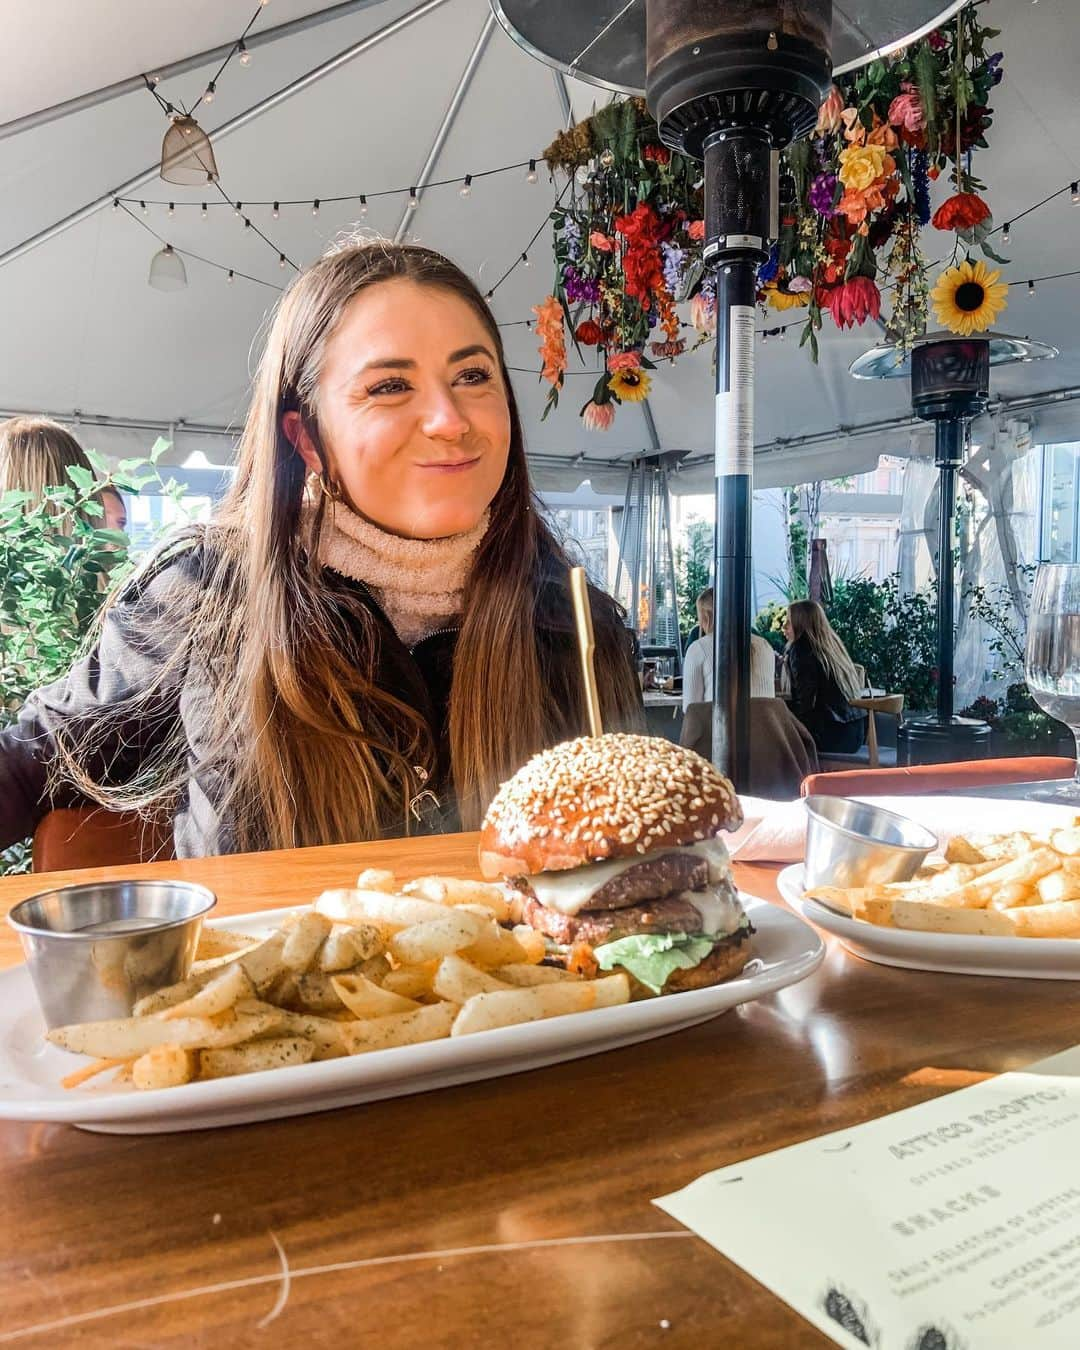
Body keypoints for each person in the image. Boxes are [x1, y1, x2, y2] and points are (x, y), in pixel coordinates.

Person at [0, 240, 643, 859]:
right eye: (390, 386)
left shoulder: (577, 624)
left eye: (473, 375)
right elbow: (33, 762)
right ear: (305, 437)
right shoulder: (214, 592)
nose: (450, 419)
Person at [782, 599, 867, 754]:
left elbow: (805, 702)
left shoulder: (800, 649)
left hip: (831, 735)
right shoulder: (831, 647)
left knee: (770, 731)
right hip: (854, 735)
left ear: (801, 623)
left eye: (789, 621)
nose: (784, 626)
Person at [682, 586, 776, 711]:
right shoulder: (765, 645)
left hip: (718, 727)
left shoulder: (698, 648)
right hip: (765, 728)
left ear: (706, 617)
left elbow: (690, 709)